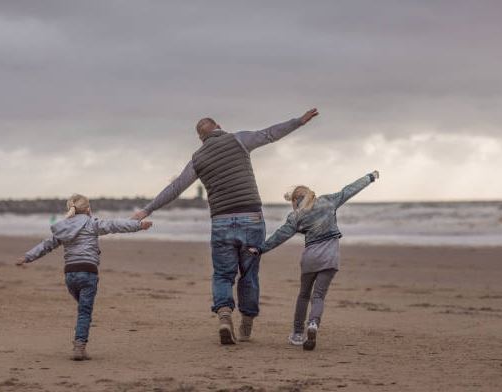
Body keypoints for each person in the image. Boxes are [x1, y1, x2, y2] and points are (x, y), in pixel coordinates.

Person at [132, 109, 319, 344]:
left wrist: (147, 210)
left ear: (201, 138)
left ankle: (223, 315)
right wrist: (298, 122)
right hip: (251, 218)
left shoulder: (197, 158)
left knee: (222, 274)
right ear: (219, 126)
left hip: (221, 221)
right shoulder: (238, 139)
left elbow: (176, 188)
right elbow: (270, 134)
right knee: (249, 274)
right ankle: (246, 325)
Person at [248, 171, 379, 350]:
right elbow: (350, 189)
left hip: (311, 259)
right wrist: (370, 177)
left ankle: (297, 334)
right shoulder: (328, 201)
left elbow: (279, 236)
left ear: (295, 201)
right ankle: (313, 324)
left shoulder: (296, 216)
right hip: (331, 258)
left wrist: (261, 249)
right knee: (318, 296)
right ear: (310, 193)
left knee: (303, 295)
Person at [16, 194, 153, 360]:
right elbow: (114, 225)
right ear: (88, 209)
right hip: (88, 272)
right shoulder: (92, 223)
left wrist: (27, 257)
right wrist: (138, 225)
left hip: (70, 275)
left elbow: (47, 245)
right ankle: (79, 347)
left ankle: (80, 337)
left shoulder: (64, 228)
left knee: (83, 309)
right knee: (84, 312)